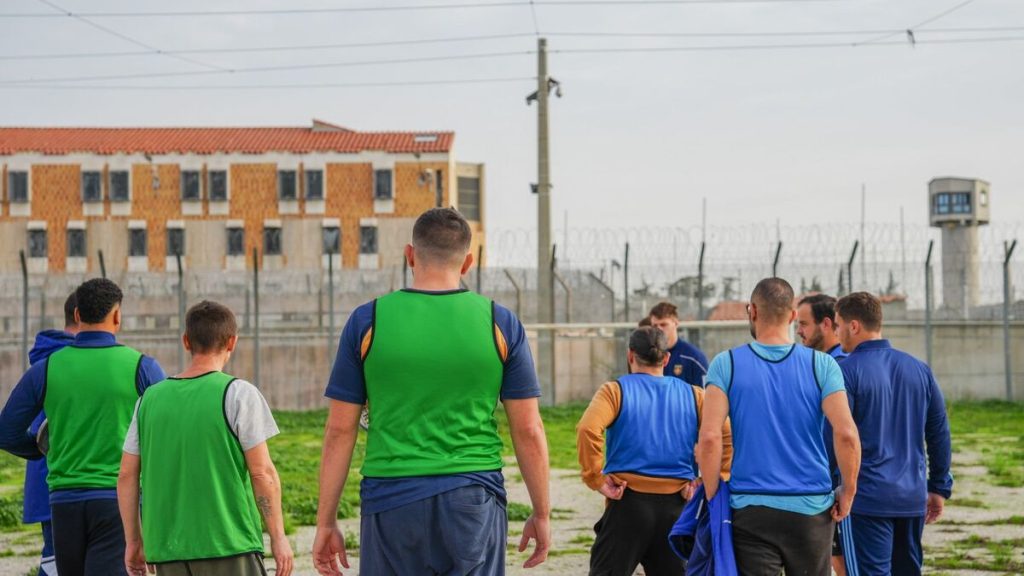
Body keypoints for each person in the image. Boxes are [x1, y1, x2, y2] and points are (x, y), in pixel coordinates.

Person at [312, 207, 550, 575]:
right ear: (468, 262)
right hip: (473, 495)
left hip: (391, 498)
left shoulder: (367, 321)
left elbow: (340, 430)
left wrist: (326, 522)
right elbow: (529, 429)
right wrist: (542, 513)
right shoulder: (500, 323)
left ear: (410, 255)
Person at [0, 278, 166, 576]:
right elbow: (168, 429)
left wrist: (42, 449)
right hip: (118, 499)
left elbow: (6, 432)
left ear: (77, 315)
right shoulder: (142, 367)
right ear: (117, 316)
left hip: (64, 500)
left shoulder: (46, 369)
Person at [696, 277, 861, 575]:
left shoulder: (726, 364)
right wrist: (848, 490)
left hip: (751, 508)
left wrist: (712, 495)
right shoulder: (822, 365)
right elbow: (846, 434)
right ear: (793, 315)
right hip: (811, 507)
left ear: (752, 311)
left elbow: (709, 438)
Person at [118, 300, 292, 576]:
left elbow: (127, 475)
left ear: (186, 341)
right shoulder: (238, 394)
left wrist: (134, 541)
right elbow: (262, 473)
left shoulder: (148, 400)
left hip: (167, 550)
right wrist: (278, 537)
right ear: (232, 342)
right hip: (229, 544)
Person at [576, 326, 733, 576]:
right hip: (677, 507)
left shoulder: (614, 391)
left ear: (630, 355)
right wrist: (710, 480)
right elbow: (726, 434)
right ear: (667, 358)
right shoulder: (695, 395)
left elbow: (587, 429)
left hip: (627, 503)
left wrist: (595, 478)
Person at [834, 292, 953, 576]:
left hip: (865, 501)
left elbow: (836, 435)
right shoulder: (919, 369)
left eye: (838, 325)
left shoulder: (844, 372)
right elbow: (938, 432)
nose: (836, 334)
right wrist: (938, 487)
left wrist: (833, 487)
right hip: (911, 497)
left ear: (853, 326)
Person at [796, 293, 856, 575]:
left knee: (843, 563)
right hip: (828, 481)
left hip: (837, 482)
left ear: (827, 324)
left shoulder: (838, 367)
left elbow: (845, 432)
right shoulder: (819, 364)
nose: (799, 331)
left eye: (804, 324)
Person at [22, 292, 80, 576]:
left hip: (48, 479)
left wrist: (35, 450)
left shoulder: (44, 361)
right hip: (68, 479)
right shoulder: (69, 362)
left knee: (56, 559)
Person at [648, 302, 708, 387]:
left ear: (676, 323)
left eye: (663, 324)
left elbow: (705, 393)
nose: (658, 329)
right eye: (655, 326)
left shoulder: (693, 358)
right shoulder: (646, 357)